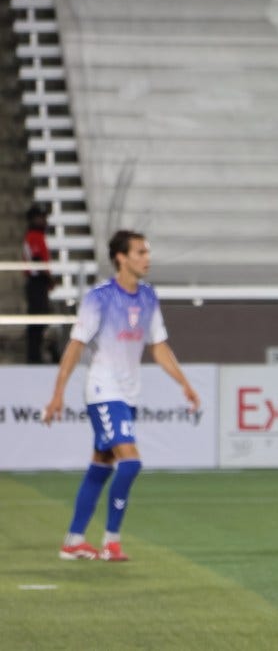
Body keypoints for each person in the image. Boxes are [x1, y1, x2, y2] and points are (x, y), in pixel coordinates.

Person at [43, 230, 199, 562]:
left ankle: (74, 541)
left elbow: (159, 346)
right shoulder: (99, 297)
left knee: (101, 466)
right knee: (130, 462)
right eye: (140, 252)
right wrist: (58, 393)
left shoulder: (148, 297)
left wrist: (183, 382)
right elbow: (75, 345)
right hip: (103, 391)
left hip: (128, 394)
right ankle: (111, 541)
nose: (147, 258)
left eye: (147, 252)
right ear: (121, 258)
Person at [22, 204, 54, 364]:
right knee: (37, 319)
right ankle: (34, 357)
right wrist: (49, 278)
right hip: (36, 282)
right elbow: (37, 260)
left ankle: (36, 355)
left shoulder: (38, 236)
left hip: (39, 282)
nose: (44, 220)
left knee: (41, 319)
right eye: (41, 217)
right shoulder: (33, 236)